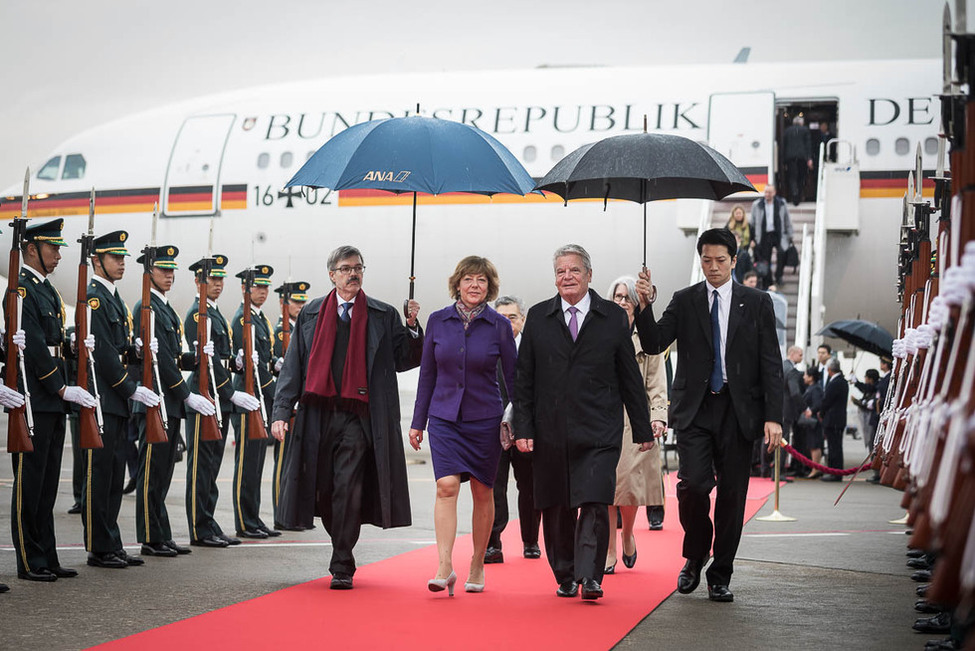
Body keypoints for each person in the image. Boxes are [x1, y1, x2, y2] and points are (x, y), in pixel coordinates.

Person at [635, 227, 783, 603]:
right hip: (696, 409)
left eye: (720, 260)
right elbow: (654, 342)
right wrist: (645, 304)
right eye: (706, 260)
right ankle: (695, 553)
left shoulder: (758, 301)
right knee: (693, 486)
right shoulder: (685, 300)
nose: (713, 267)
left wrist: (774, 416)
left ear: (734, 261)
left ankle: (720, 574)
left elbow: (771, 362)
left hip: (739, 409)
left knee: (733, 496)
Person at [270, 245, 422, 590]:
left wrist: (412, 327)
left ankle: (342, 562)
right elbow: (293, 367)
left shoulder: (382, 314)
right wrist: (281, 412)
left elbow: (406, 359)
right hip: (317, 417)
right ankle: (341, 545)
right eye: (346, 268)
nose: (354, 273)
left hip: (359, 417)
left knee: (348, 488)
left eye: (358, 268)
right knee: (323, 490)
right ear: (332, 275)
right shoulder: (310, 314)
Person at [513, 244, 654, 601]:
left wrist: (642, 427)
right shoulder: (540, 318)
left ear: (589, 275)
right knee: (557, 506)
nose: (567, 277)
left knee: (593, 500)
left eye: (574, 270)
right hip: (550, 432)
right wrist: (524, 429)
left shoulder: (611, 317)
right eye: (560, 271)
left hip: (599, 431)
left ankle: (590, 576)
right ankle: (565, 573)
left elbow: (629, 377)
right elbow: (524, 379)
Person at [409, 256, 517, 595]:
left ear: (490, 287)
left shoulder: (499, 325)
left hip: (485, 419)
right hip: (444, 418)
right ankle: (444, 565)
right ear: (457, 283)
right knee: (446, 486)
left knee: (483, 491)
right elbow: (427, 374)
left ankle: (477, 563)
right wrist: (417, 422)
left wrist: (520, 422)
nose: (474, 286)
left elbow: (514, 379)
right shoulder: (438, 321)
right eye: (469, 279)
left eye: (481, 281)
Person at [9, 218, 95, 582]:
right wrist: (60, 387)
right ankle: (30, 559)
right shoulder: (22, 291)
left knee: (46, 484)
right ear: (31, 249)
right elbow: (33, 350)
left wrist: (75, 345)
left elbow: (53, 344)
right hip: (36, 397)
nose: (58, 254)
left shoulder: (47, 291)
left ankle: (48, 553)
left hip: (53, 401)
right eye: (52, 248)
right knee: (30, 483)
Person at [132, 244, 216, 558]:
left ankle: (161, 534)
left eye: (171, 270)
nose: (169, 275)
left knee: (163, 474)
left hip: (168, 403)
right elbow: (162, 361)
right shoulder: (147, 307)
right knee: (151, 474)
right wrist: (186, 393)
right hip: (156, 401)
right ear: (148, 271)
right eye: (162, 269)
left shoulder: (164, 307)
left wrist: (196, 359)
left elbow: (174, 357)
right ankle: (150, 537)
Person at [83, 231, 161, 569]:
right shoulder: (95, 298)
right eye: (115, 258)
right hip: (105, 396)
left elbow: (118, 348)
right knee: (101, 475)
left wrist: (136, 351)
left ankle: (111, 541)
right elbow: (101, 353)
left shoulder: (113, 298)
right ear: (96, 260)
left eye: (123, 258)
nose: (122, 263)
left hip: (117, 401)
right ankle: (99, 546)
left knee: (115, 475)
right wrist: (129, 387)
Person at [183, 254, 261, 548]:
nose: (217, 283)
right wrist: (230, 391)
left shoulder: (214, 313)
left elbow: (220, 359)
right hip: (207, 396)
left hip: (219, 399)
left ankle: (209, 522)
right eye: (211, 278)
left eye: (220, 279)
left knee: (212, 467)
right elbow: (205, 361)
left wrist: (237, 365)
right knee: (200, 468)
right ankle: (198, 527)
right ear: (198, 281)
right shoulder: (196, 314)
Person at [604, 276, 668, 575]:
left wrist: (658, 415)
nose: (621, 302)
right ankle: (608, 546)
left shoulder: (648, 338)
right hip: (603, 416)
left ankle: (627, 532)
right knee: (604, 486)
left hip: (635, 419)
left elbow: (657, 382)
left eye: (627, 297)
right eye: (617, 296)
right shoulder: (600, 332)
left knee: (628, 487)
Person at [485, 295, 540, 565]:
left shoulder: (533, 349)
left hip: (526, 428)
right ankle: (493, 543)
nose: (507, 323)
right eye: (501, 317)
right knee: (494, 487)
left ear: (523, 320)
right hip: (492, 430)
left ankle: (530, 540)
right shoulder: (485, 349)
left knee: (529, 486)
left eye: (513, 317)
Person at [230, 264, 279, 539]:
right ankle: (244, 521)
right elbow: (250, 365)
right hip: (248, 398)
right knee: (246, 464)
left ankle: (254, 517)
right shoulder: (242, 319)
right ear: (245, 289)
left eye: (265, 287)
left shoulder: (260, 319)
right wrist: (274, 389)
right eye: (257, 286)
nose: (262, 291)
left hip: (259, 400)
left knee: (256, 465)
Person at [271, 280, 310, 528]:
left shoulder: (301, 329)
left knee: (295, 464)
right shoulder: (279, 332)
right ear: (284, 304)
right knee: (282, 464)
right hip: (286, 405)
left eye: (302, 301)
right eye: (295, 301)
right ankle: (281, 515)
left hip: (299, 406)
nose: (300, 306)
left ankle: (292, 513)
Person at [750, 185, 793, 286]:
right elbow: (752, 223)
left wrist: (790, 235)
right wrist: (753, 239)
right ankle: (768, 281)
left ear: (774, 193)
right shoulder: (757, 205)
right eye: (765, 192)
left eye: (769, 192)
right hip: (764, 235)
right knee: (765, 258)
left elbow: (787, 220)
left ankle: (779, 276)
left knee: (781, 254)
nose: (767, 195)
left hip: (778, 234)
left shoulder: (781, 203)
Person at [819, 358, 848, 482]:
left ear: (830, 370)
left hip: (833, 420)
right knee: (836, 446)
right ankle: (836, 471)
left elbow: (827, 400)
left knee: (834, 447)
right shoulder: (843, 381)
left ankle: (834, 472)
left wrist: (821, 412)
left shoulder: (835, 382)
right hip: (839, 419)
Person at [781, 346, 806, 477]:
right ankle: (779, 472)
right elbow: (795, 393)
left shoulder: (781, 366)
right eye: (800, 355)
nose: (801, 358)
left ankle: (766, 468)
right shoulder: (791, 371)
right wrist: (804, 408)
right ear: (793, 354)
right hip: (787, 410)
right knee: (783, 441)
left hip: (778, 408)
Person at [798, 367, 825, 479]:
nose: (804, 377)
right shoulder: (811, 387)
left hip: (814, 421)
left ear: (811, 377)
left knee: (815, 445)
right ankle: (814, 467)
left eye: (805, 375)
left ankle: (816, 468)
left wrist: (811, 411)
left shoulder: (816, 389)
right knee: (811, 444)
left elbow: (818, 403)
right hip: (810, 422)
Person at [782, 115, 813, 205]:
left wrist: (783, 160)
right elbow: (808, 145)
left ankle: (794, 194)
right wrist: (809, 158)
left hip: (790, 158)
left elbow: (784, 145)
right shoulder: (805, 130)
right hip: (802, 158)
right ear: (801, 123)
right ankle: (799, 195)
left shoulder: (787, 131)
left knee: (792, 177)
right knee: (801, 177)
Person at [852, 368, 880, 456]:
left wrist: (859, 402)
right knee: (870, 441)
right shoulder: (871, 388)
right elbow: (865, 389)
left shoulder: (876, 388)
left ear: (870, 379)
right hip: (869, 419)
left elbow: (867, 390)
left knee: (873, 440)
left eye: (866, 377)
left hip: (873, 419)